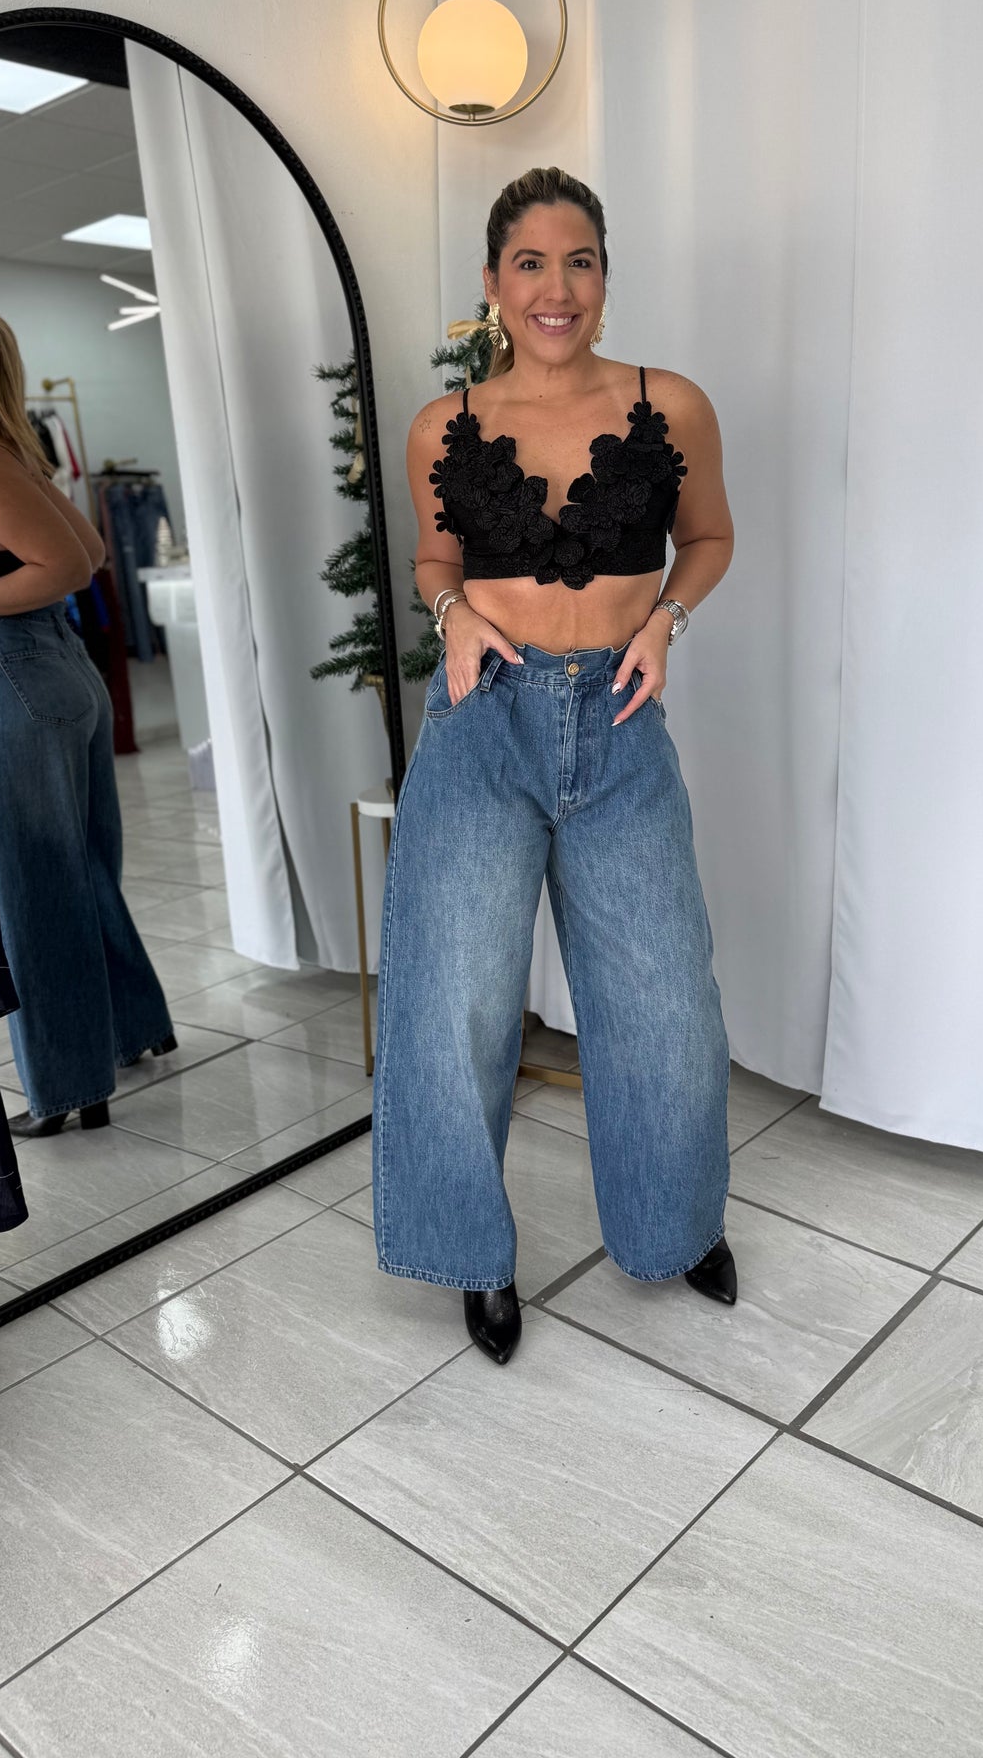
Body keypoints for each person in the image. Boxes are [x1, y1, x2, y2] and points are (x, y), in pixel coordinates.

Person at [372, 166, 737, 1364]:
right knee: (454, 999)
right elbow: (435, 559)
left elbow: (710, 535)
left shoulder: (670, 404)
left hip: (620, 718)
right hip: (484, 719)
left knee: (664, 1000)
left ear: (604, 275)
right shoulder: (443, 425)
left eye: (579, 260)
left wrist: (665, 619)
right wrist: (452, 616)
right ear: (493, 280)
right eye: (530, 262)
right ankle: (469, 1253)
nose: (557, 287)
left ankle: (676, 1222)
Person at [0, 308, 175, 1137]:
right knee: (78, 870)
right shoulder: (7, 455)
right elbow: (91, 552)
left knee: (25, 891)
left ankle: (67, 1087)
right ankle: (128, 1028)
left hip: (9, 676)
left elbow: (68, 565)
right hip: (55, 672)